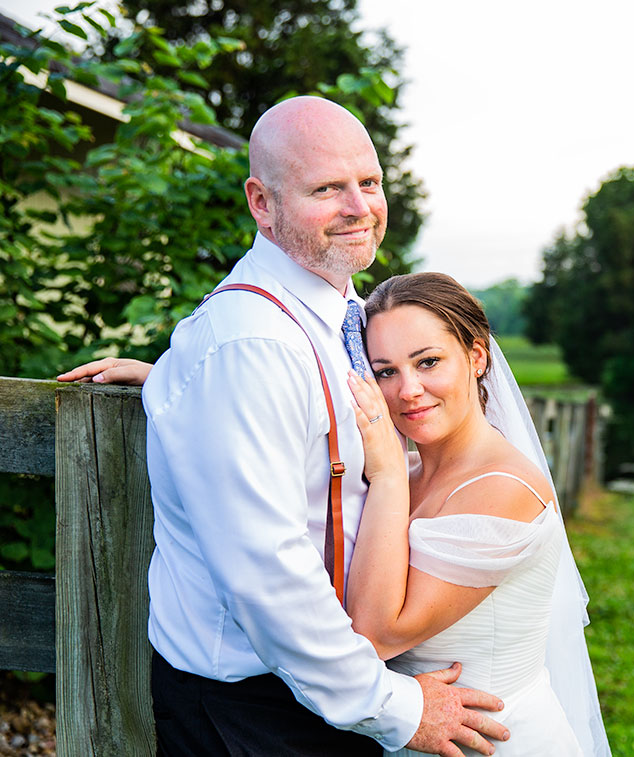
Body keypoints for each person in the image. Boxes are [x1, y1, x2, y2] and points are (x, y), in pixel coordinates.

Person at [60, 96, 509, 757]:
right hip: (257, 710)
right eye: (327, 188)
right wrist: (391, 707)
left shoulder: (331, 311)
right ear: (261, 204)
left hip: (322, 684)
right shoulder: (248, 347)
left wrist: (175, 379)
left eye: (370, 182)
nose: (359, 206)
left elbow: (301, 422)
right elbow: (267, 571)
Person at [344, 272, 609, 755]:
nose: (408, 390)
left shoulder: (502, 488)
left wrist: (384, 477)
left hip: (496, 742)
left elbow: (377, 635)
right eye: (386, 371)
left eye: (428, 362)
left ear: (477, 357)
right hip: (415, 735)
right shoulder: (407, 469)